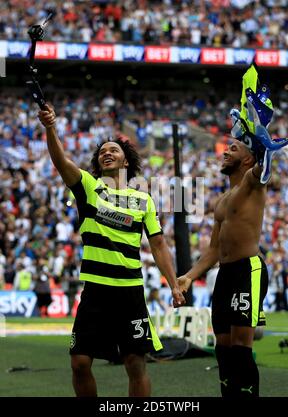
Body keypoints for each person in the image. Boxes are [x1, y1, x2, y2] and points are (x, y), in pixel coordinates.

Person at [38, 103, 185, 397]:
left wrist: (174, 285)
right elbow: (61, 162)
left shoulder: (143, 200)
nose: (107, 152)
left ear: (125, 162)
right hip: (95, 292)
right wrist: (50, 128)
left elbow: (158, 245)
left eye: (113, 150)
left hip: (130, 292)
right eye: (102, 151)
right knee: (79, 362)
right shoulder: (90, 187)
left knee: (135, 363)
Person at [178, 65, 288, 398]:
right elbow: (213, 251)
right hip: (225, 275)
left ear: (246, 160)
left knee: (240, 347)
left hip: (248, 271)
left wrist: (261, 134)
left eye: (233, 149)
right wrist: (189, 276)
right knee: (223, 348)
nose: (225, 150)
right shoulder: (222, 201)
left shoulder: (253, 183)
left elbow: (266, 160)